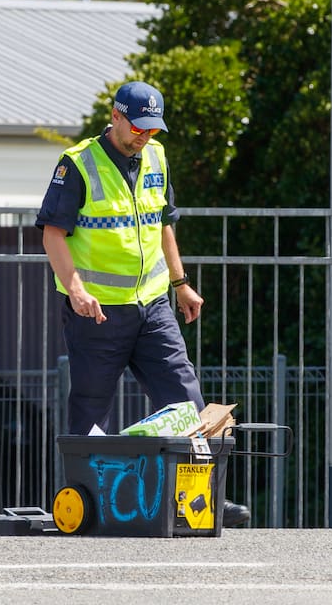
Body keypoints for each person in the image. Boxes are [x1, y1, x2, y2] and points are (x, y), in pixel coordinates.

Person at [36, 80, 250, 527]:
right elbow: (52, 233)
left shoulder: (155, 155)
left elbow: (163, 224)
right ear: (115, 117)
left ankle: (202, 499)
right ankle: (93, 504)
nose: (144, 137)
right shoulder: (77, 164)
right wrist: (75, 289)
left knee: (184, 399)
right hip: (97, 311)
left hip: (153, 306)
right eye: (137, 127)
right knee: (91, 408)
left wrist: (181, 283)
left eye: (152, 129)